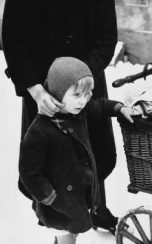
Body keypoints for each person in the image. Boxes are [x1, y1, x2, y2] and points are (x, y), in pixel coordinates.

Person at [1, 0, 119, 233]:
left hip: (85, 88)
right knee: (54, 161)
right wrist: (36, 90)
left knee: (91, 152)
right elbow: (13, 40)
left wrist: (83, 78)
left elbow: (106, 38)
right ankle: (59, 226)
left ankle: (98, 207)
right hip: (44, 94)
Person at [19, 57, 135, 244]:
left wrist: (119, 108)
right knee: (66, 234)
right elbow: (28, 172)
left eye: (87, 94)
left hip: (76, 194)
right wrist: (49, 196)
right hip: (58, 200)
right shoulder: (40, 131)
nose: (83, 101)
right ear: (57, 92)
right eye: (77, 95)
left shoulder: (77, 111)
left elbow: (100, 106)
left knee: (73, 231)